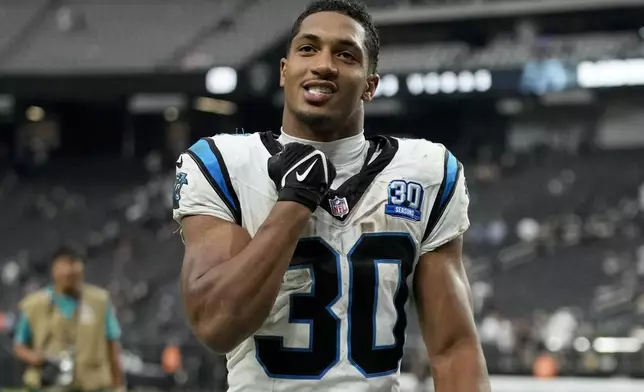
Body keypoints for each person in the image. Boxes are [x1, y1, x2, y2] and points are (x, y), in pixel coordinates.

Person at [174, 0, 490, 391]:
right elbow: (215, 325)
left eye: (346, 55)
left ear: (370, 86)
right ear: (284, 70)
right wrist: (293, 203)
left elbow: (453, 346)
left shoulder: (426, 171)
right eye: (308, 49)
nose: (324, 64)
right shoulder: (225, 163)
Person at [13, 246, 125, 392]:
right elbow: (19, 346)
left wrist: (119, 385)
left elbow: (113, 347)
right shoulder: (35, 305)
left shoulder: (99, 302)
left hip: (91, 384)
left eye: (74, 273)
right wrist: (35, 358)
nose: (69, 276)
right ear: (54, 271)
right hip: (49, 385)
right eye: (65, 271)